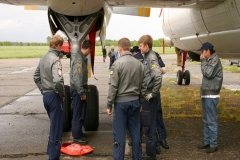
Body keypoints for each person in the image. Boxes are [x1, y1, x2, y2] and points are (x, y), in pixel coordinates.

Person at [107, 37, 147, 160]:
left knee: (119, 136)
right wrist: (140, 102)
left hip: (121, 104)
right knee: (135, 135)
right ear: (129, 48)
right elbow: (144, 85)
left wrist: (109, 104)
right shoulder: (139, 64)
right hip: (135, 102)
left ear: (120, 49)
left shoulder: (116, 64)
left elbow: (113, 86)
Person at [33, 34, 65, 160]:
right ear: (58, 45)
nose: (61, 48)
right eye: (61, 46)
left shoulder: (43, 58)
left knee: (53, 125)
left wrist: (43, 90)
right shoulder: (55, 60)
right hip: (54, 96)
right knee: (56, 129)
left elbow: (36, 77)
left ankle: (50, 151)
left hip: (46, 96)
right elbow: (57, 80)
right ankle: (53, 157)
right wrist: (62, 94)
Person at [138, 35, 162, 159]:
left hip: (149, 95)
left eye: (141, 46)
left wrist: (153, 93)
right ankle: (153, 149)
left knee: (149, 124)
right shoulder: (147, 57)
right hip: (146, 94)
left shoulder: (151, 58)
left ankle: (151, 154)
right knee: (150, 123)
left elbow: (157, 76)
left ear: (146, 46)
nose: (139, 48)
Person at [197, 42, 223, 153]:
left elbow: (208, 73)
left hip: (211, 95)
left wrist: (202, 62)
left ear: (208, 51)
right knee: (206, 120)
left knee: (211, 120)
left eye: (203, 51)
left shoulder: (215, 60)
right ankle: (207, 142)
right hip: (206, 94)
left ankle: (213, 144)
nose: (201, 53)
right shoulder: (209, 61)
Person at [70, 40, 92, 145]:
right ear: (88, 49)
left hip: (80, 89)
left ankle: (79, 132)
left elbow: (81, 77)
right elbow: (77, 77)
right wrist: (81, 93)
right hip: (77, 91)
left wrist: (85, 86)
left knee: (82, 112)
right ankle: (76, 136)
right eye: (89, 51)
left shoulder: (82, 59)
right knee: (78, 113)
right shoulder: (79, 60)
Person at [154, 52, 169, 154]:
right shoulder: (140, 56)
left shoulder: (155, 55)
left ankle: (162, 138)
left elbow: (164, 69)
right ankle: (154, 144)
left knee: (158, 115)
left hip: (155, 91)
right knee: (148, 119)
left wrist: (156, 70)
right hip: (145, 91)